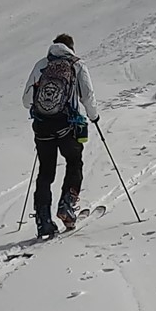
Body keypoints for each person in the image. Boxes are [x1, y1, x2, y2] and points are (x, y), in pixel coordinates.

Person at [22, 33, 99, 238]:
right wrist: (94, 117)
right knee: (74, 162)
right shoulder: (77, 65)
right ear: (71, 47)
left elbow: (26, 99)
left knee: (45, 173)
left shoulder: (41, 65)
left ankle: (43, 220)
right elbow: (87, 96)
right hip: (67, 126)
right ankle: (67, 204)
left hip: (42, 128)